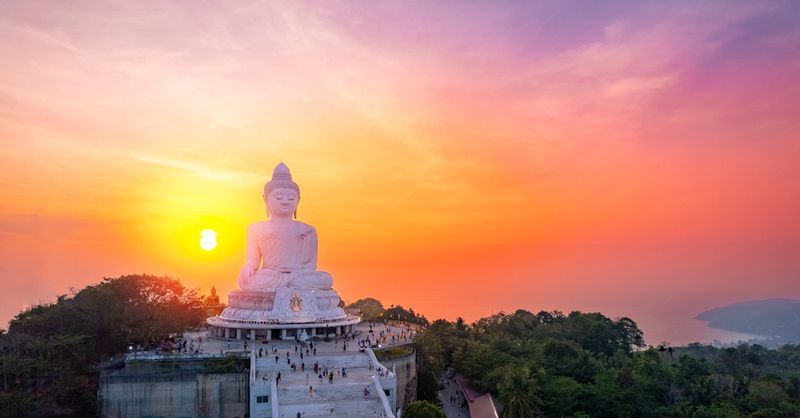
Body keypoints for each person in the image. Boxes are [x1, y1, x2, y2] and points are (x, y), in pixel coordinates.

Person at [237, 163, 334, 291]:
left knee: (326, 279)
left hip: (299, 275)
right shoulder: (256, 229)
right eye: (278, 197)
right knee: (246, 281)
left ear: (298, 200)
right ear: (265, 199)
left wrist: (295, 273)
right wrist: (248, 267)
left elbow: (310, 266)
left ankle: (287, 283)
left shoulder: (308, 230)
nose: (285, 201)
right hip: (271, 275)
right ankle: (288, 284)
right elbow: (252, 260)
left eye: (291, 197)